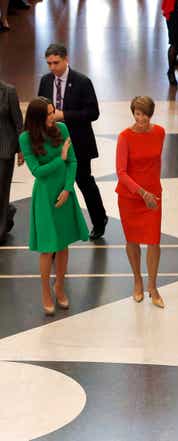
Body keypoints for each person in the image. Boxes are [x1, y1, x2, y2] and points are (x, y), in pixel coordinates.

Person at [19, 97, 89, 315]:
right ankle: (45, 293)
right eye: (48, 114)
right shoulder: (25, 138)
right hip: (45, 196)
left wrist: (68, 189)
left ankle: (59, 286)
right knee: (47, 248)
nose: (53, 116)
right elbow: (37, 172)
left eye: (53, 111)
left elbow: (73, 161)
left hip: (64, 193)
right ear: (37, 118)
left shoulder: (62, 128)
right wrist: (60, 158)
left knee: (63, 243)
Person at [37, 43, 108, 241]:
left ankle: (99, 220)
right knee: (54, 184)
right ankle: (55, 227)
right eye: (49, 63)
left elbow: (93, 113)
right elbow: (39, 107)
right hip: (53, 144)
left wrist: (64, 115)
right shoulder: (45, 81)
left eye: (56, 62)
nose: (52, 67)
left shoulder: (82, 82)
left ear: (66, 59)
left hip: (79, 142)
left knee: (84, 181)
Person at [115, 96, 166, 309]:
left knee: (154, 241)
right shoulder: (125, 137)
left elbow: (155, 163)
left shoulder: (160, 132)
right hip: (130, 197)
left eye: (144, 114)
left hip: (153, 196)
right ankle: (137, 279)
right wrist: (141, 192)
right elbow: (121, 172)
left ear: (150, 114)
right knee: (132, 240)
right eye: (137, 113)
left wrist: (150, 191)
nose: (141, 118)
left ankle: (153, 287)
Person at [0, 80, 23, 243]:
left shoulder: (9, 91)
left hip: (5, 149)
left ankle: (0, 231)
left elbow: (18, 122)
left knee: (1, 191)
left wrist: (22, 149)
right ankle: (8, 211)